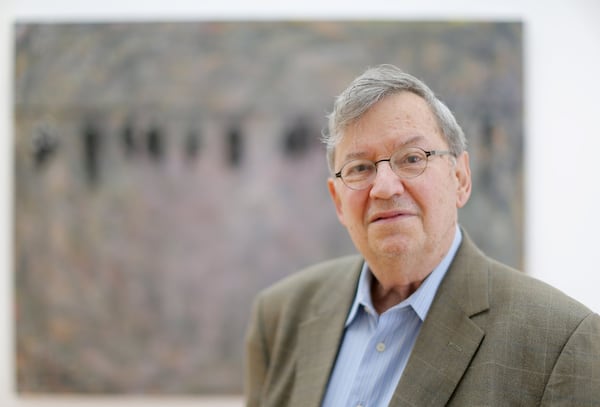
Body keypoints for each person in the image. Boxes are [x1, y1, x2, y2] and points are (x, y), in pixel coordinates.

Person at [244, 64, 600, 406]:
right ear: (338, 200)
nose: (383, 187)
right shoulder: (279, 318)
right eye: (360, 168)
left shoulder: (562, 344)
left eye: (412, 158)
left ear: (460, 178)